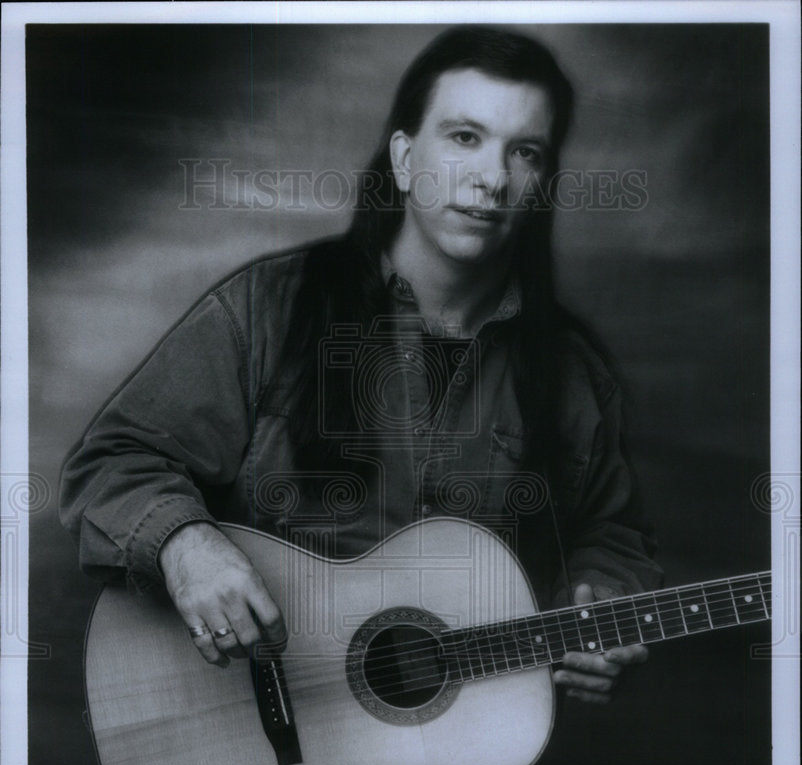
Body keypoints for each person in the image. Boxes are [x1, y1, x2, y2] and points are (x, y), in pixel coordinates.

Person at [60, 26, 662, 703]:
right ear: (404, 160)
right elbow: (111, 463)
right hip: (257, 750)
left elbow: (610, 533)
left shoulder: (574, 374)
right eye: (465, 137)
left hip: (475, 761)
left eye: (523, 151)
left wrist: (602, 601)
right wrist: (183, 542)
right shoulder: (269, 310)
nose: (492, 178)